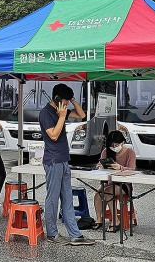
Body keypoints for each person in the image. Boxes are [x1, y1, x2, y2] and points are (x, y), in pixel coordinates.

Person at [39, 83, 94, 245]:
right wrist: (62, 116)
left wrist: (72, 99)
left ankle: (75, 235)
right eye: (65, 100)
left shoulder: (61, 108)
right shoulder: (46, 113)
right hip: (53, 160)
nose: (68, 104)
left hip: (63, 159)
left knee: (67, 198)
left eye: (68, 101)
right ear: (56, 98)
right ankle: (52, 233)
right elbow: (54, 136)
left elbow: (82, 114)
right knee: (52, 198)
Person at [92, 131, 136, 232]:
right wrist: (102, 166)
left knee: (107, 193)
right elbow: (98, 165)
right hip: (109, 182)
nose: (114, 147)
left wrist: (120, 167)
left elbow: (132, 169)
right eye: (112, 145)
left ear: (122, 143)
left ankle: (116, 221)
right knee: (98, 194)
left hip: (124, 185)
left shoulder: (130, 153)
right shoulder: (106, 151)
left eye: (116, 145)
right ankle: (99, 219)